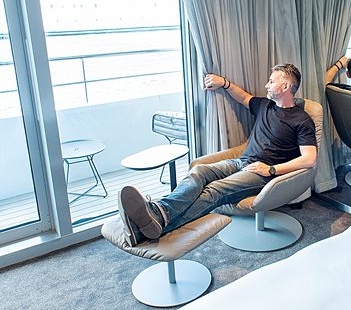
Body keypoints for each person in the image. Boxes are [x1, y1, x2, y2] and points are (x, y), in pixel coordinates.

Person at [118, 64, 317, 246]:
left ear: (285, 87)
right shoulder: (265, 105)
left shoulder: (301, 120)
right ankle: (157, 216)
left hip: (262, 174)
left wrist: (271, 169)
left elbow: (309, 159)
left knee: (214, 190)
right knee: (199, 171)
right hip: (241, 161)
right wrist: (224, 83)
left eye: (272, 81)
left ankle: (154, 222)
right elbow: (243, 97)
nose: (266, 84)